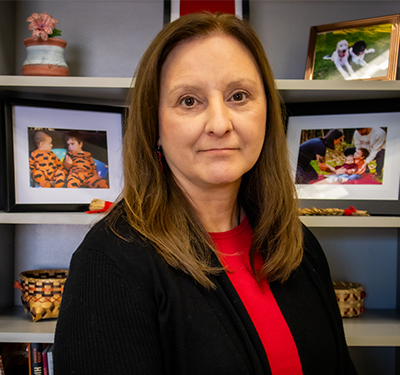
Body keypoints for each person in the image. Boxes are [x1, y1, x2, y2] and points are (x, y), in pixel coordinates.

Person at [54, 12, 357, 375]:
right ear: (154, 124)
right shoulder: (109, 265)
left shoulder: (298, 246)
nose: (219, 124)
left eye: (239, 96)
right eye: (188, 101)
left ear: (268, 114)